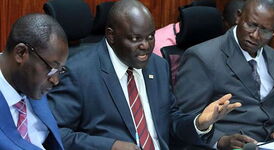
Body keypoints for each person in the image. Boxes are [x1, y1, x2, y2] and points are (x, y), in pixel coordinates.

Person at [47, 0, 241, 150]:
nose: (146, 46)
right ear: (111, 35)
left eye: (150, 37)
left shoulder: (157, 66)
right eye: (135, 39)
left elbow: (170, 121)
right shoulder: (79, 71)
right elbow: (55, 135)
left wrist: (199, 123)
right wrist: (110, 146)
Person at [174, 0, 274, 149]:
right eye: (251, 25)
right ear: (239, 17)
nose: (255, 36)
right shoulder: (203, 57)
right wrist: (221, 140)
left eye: (265, 30)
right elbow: (181, 122)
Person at [0, 14, 68, 150]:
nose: (55, 81)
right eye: (51, 68)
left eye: (59, 70)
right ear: (21, 53)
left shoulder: (29, 83)